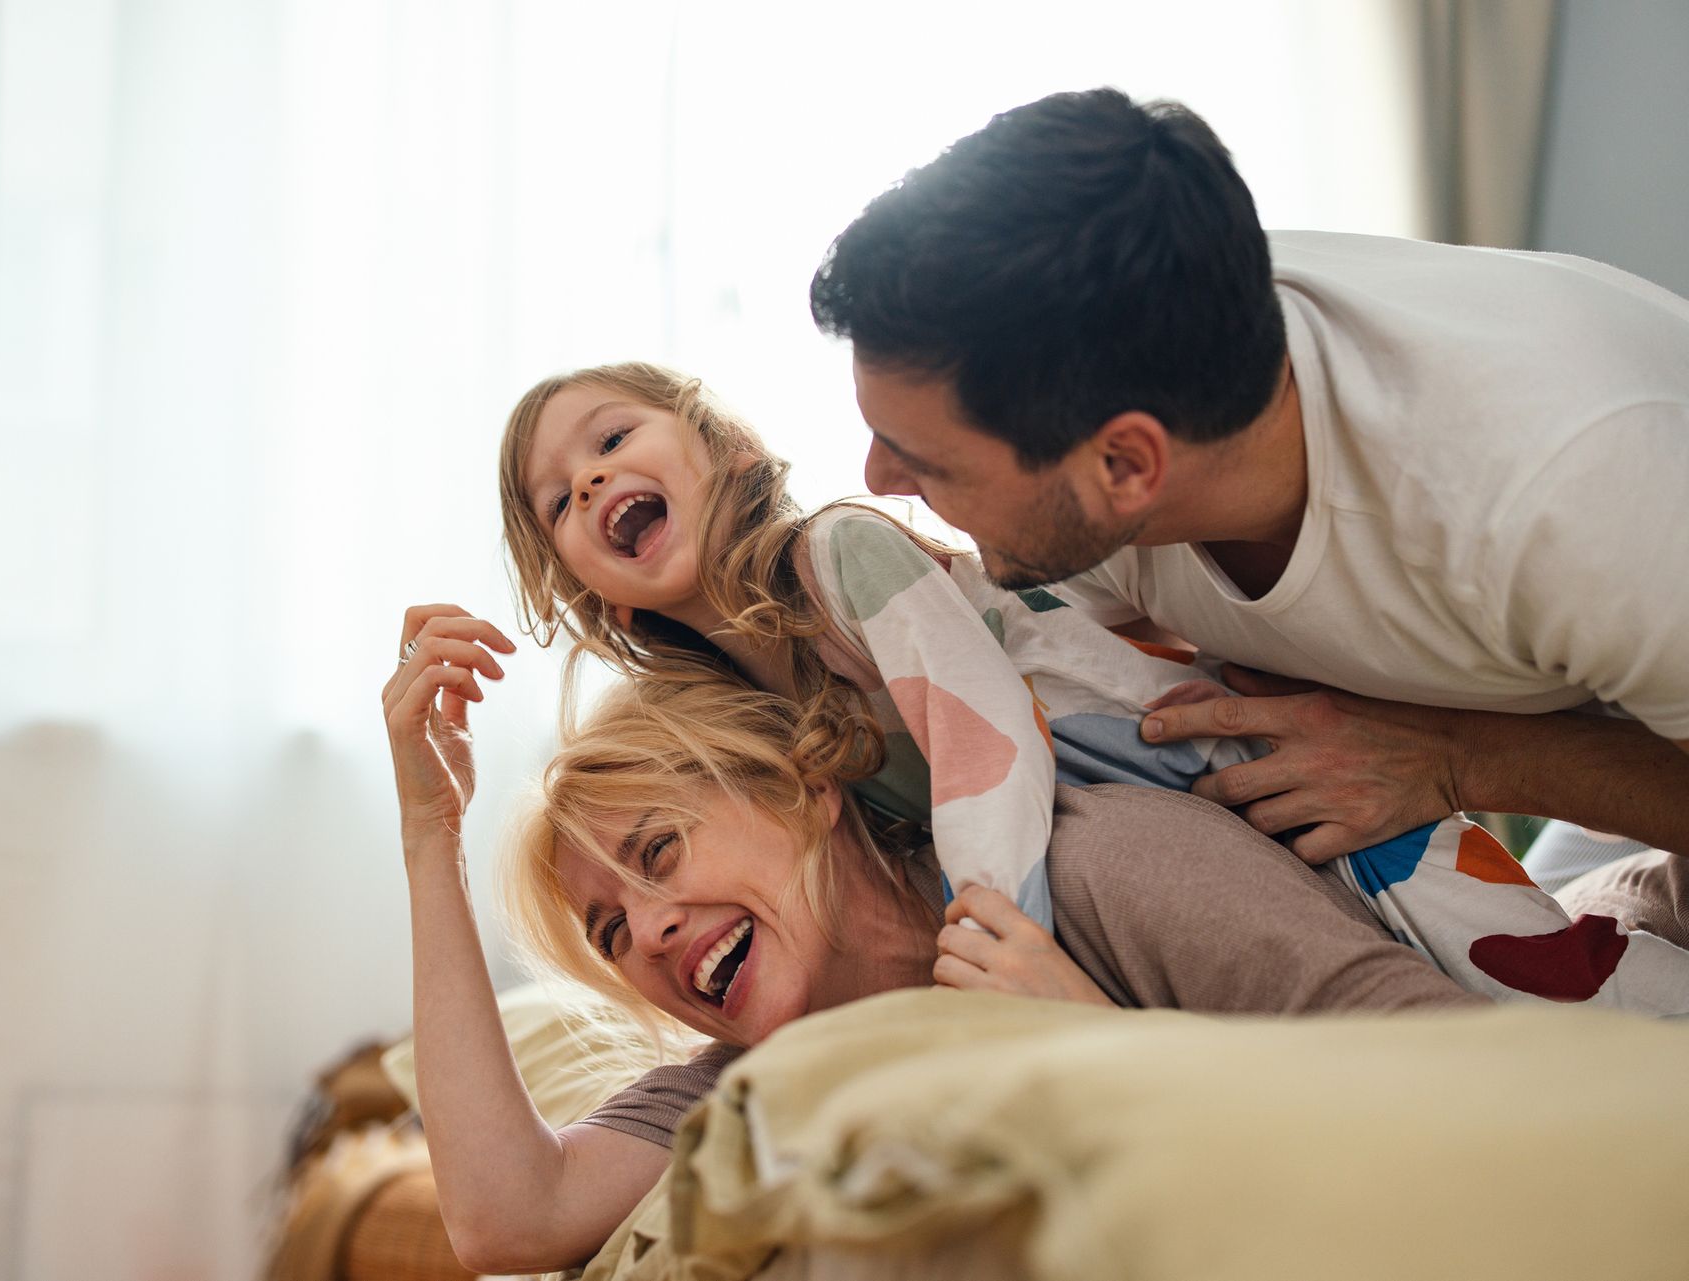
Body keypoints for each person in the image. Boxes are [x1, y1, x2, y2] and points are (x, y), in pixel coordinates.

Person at [499, 361, 1689, 1008]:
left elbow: (985, 745)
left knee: (1507, 960)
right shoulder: (750, 703)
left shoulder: (839, 557)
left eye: (612, 440)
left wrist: (990, 942)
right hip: (1147, 799)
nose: (593, 482)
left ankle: (1641, 1029)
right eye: (559, 500)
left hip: (1215, 742)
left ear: (729, 450)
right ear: (599, 596)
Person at [380, 608, 1484, 1274]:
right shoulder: (743, 1091)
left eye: (659, 853)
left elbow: (1459, 1068)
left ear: (804, 787)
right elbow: (502, 1218)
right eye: (611, 931)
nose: (653, 930)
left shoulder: (1099, 866)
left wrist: (1108, 1054)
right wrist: (431, 838)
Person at [807, 86, 1689, 881]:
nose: (877, 480)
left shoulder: (1570, 494)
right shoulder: (1138, 352)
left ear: (1126, 467)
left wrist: (1459, 756)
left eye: (927, 460)